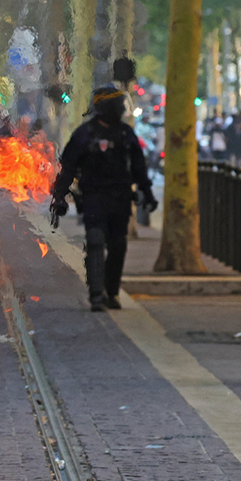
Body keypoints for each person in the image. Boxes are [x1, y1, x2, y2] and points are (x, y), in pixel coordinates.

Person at [51, 85, 157, 312]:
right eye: (117, 105)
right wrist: (59, 196)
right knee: (96, 241)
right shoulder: (84, 134)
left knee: (118, 245)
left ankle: (112, 292)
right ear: (106, 107)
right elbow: (68, 168)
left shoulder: (125, 134)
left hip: (120, 198)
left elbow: (139, 166)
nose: (120, 109)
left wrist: (147, 193)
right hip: (93, 198)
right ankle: (96, 293)